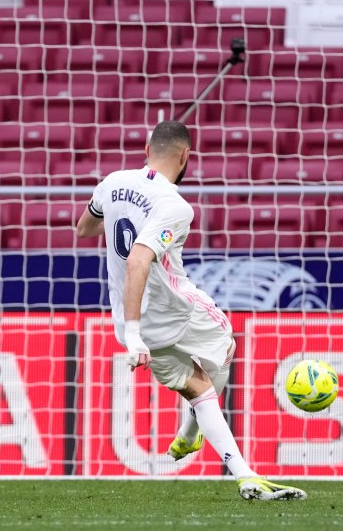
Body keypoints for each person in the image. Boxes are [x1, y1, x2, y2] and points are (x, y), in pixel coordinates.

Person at [75, 121, 306, 501]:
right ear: (186, 157)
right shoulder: (176, 206)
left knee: (197, 387)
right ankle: (193, 432)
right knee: (227, 344)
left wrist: (132, 334)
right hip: (173, 309)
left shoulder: (111, 182)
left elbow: (84, 228)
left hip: (132, 322)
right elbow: (139, 260)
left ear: (147, 150)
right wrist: (135, 335)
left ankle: (240, 471)